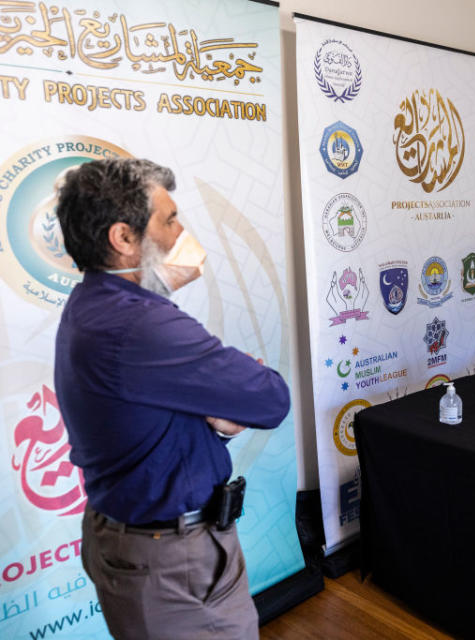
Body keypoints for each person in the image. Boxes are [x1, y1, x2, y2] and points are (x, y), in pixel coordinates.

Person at [53, 158, 290, 639]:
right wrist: (225, 405)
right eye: (169, 220)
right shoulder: (142, 325)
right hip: (170, 563)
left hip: (147, 546)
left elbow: (152, 422)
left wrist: (217, 422)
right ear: (123, 239)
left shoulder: (95, 304)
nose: (181, 231)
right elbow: (270, 399)